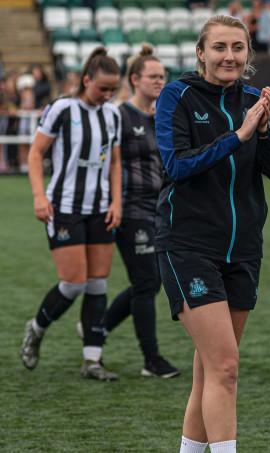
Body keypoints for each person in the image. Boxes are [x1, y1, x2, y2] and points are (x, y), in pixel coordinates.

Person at [154, 15, 270, 453]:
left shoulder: (254, 101)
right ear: (201, 53)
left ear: (248, 54)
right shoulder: (176, 96)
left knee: (211, 370)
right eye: (219, 47)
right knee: (226, 366)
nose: (229, 56)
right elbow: (176, 165)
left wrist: (265, 129)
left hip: (244, 251)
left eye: (237, 47)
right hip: (188, 245)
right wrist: (239, 135)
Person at [20, 47, 122, 381]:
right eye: (102, 88)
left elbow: (116, 162)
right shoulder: (63, 109)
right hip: (64, 207)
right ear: (86, 79)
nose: (107, 95)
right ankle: (36, 328)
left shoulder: (113, 115)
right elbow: (36, 153)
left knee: (97, 283)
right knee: (75, 282)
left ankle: (92, 360)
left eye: (112, 90)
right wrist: (39, 196)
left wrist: (116, 201)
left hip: (100, 208)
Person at [79, 44, 180, 378]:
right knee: (147, 281)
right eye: (153, 76)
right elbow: (108, 161)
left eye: (163, 76)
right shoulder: (120, 115)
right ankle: (151, 360)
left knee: (147, 284)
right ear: (135, 79)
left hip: (159, 209)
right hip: (129, 209)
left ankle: (98, 327)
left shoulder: (161, 118)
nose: (160, 82)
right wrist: (111, 201)